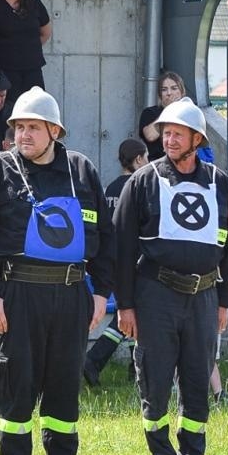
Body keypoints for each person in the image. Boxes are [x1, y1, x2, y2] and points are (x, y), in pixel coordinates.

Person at [0, 88, 108, 455]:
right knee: (16, 383)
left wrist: (101, 294)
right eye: (18, 126)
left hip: (70, 293)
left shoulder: (82, 171)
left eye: (32, 127)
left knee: (64, 385)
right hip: (17, 293)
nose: (23, 134)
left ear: (54, 130)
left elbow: (105, 235)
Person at [114, 98, 228, 455]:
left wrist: (224, 301)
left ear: (196, 139)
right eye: (165, 133)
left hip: (203, 296)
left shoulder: (219, 182)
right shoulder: (144, 181)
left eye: (176, 134)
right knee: (155, 381)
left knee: (198, 382)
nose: (168, 139)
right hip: (156, 295)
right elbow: (121, 246)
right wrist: (126, 305)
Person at [82, 138, 148, 386]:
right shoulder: (140, 186)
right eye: (147, 158)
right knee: (131, 310)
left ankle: (133, 367)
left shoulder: (110, 188)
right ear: (139, 159)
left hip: (112, 258)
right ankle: (95, 359)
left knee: (132, 312)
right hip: (135, 259)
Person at [137, 71, 187, 163]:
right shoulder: (150, 112)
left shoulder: (188, 113)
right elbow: (150, 136)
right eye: (164, 89)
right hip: (158, 166)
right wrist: (170, 110)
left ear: (181, 91)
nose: (169, 93)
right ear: (160, 94)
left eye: (174, 88)